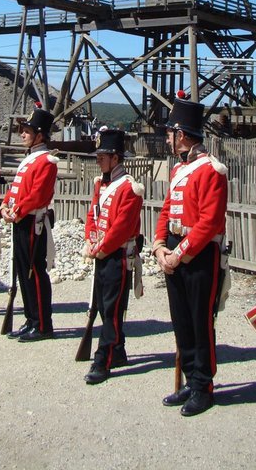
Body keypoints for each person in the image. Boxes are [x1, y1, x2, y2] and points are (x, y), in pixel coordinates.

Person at [152, 94, 228, 417]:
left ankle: (203, 385)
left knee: (200, 321)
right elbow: (167, 210)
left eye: (170, 133)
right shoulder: (178, 171)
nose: (168, 138)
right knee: (181, 320)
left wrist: (178, 254)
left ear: (181, 135)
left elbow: (209, 222)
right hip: (175, 252)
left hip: (197, 255)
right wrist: (158, 246)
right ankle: (189, 379)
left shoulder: (212, 170)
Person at [82, 129, 144, 385]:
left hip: (117, 255)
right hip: (102, 252)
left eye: (103, 156)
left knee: (111, 310)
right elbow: (92, 216)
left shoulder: (130, 188)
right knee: (104, 305)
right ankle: (117, 350)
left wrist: (101, 247)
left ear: (115, 158)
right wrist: (89, 239)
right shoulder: (101, 183)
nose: (98, 160)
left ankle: (103, 360)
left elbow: (121, 227)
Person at [0, 104, 58, 341]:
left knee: (35, 271)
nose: (22, 133)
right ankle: (31, 318)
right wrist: (5, 205)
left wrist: (17, 211)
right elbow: (16, 190)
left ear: (40, 135)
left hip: (33, 221)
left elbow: (37, 195)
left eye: (27, 130)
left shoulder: (47, 161)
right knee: (23, 271)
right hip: (21, 219)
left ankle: (43, 323)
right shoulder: (30, 159)